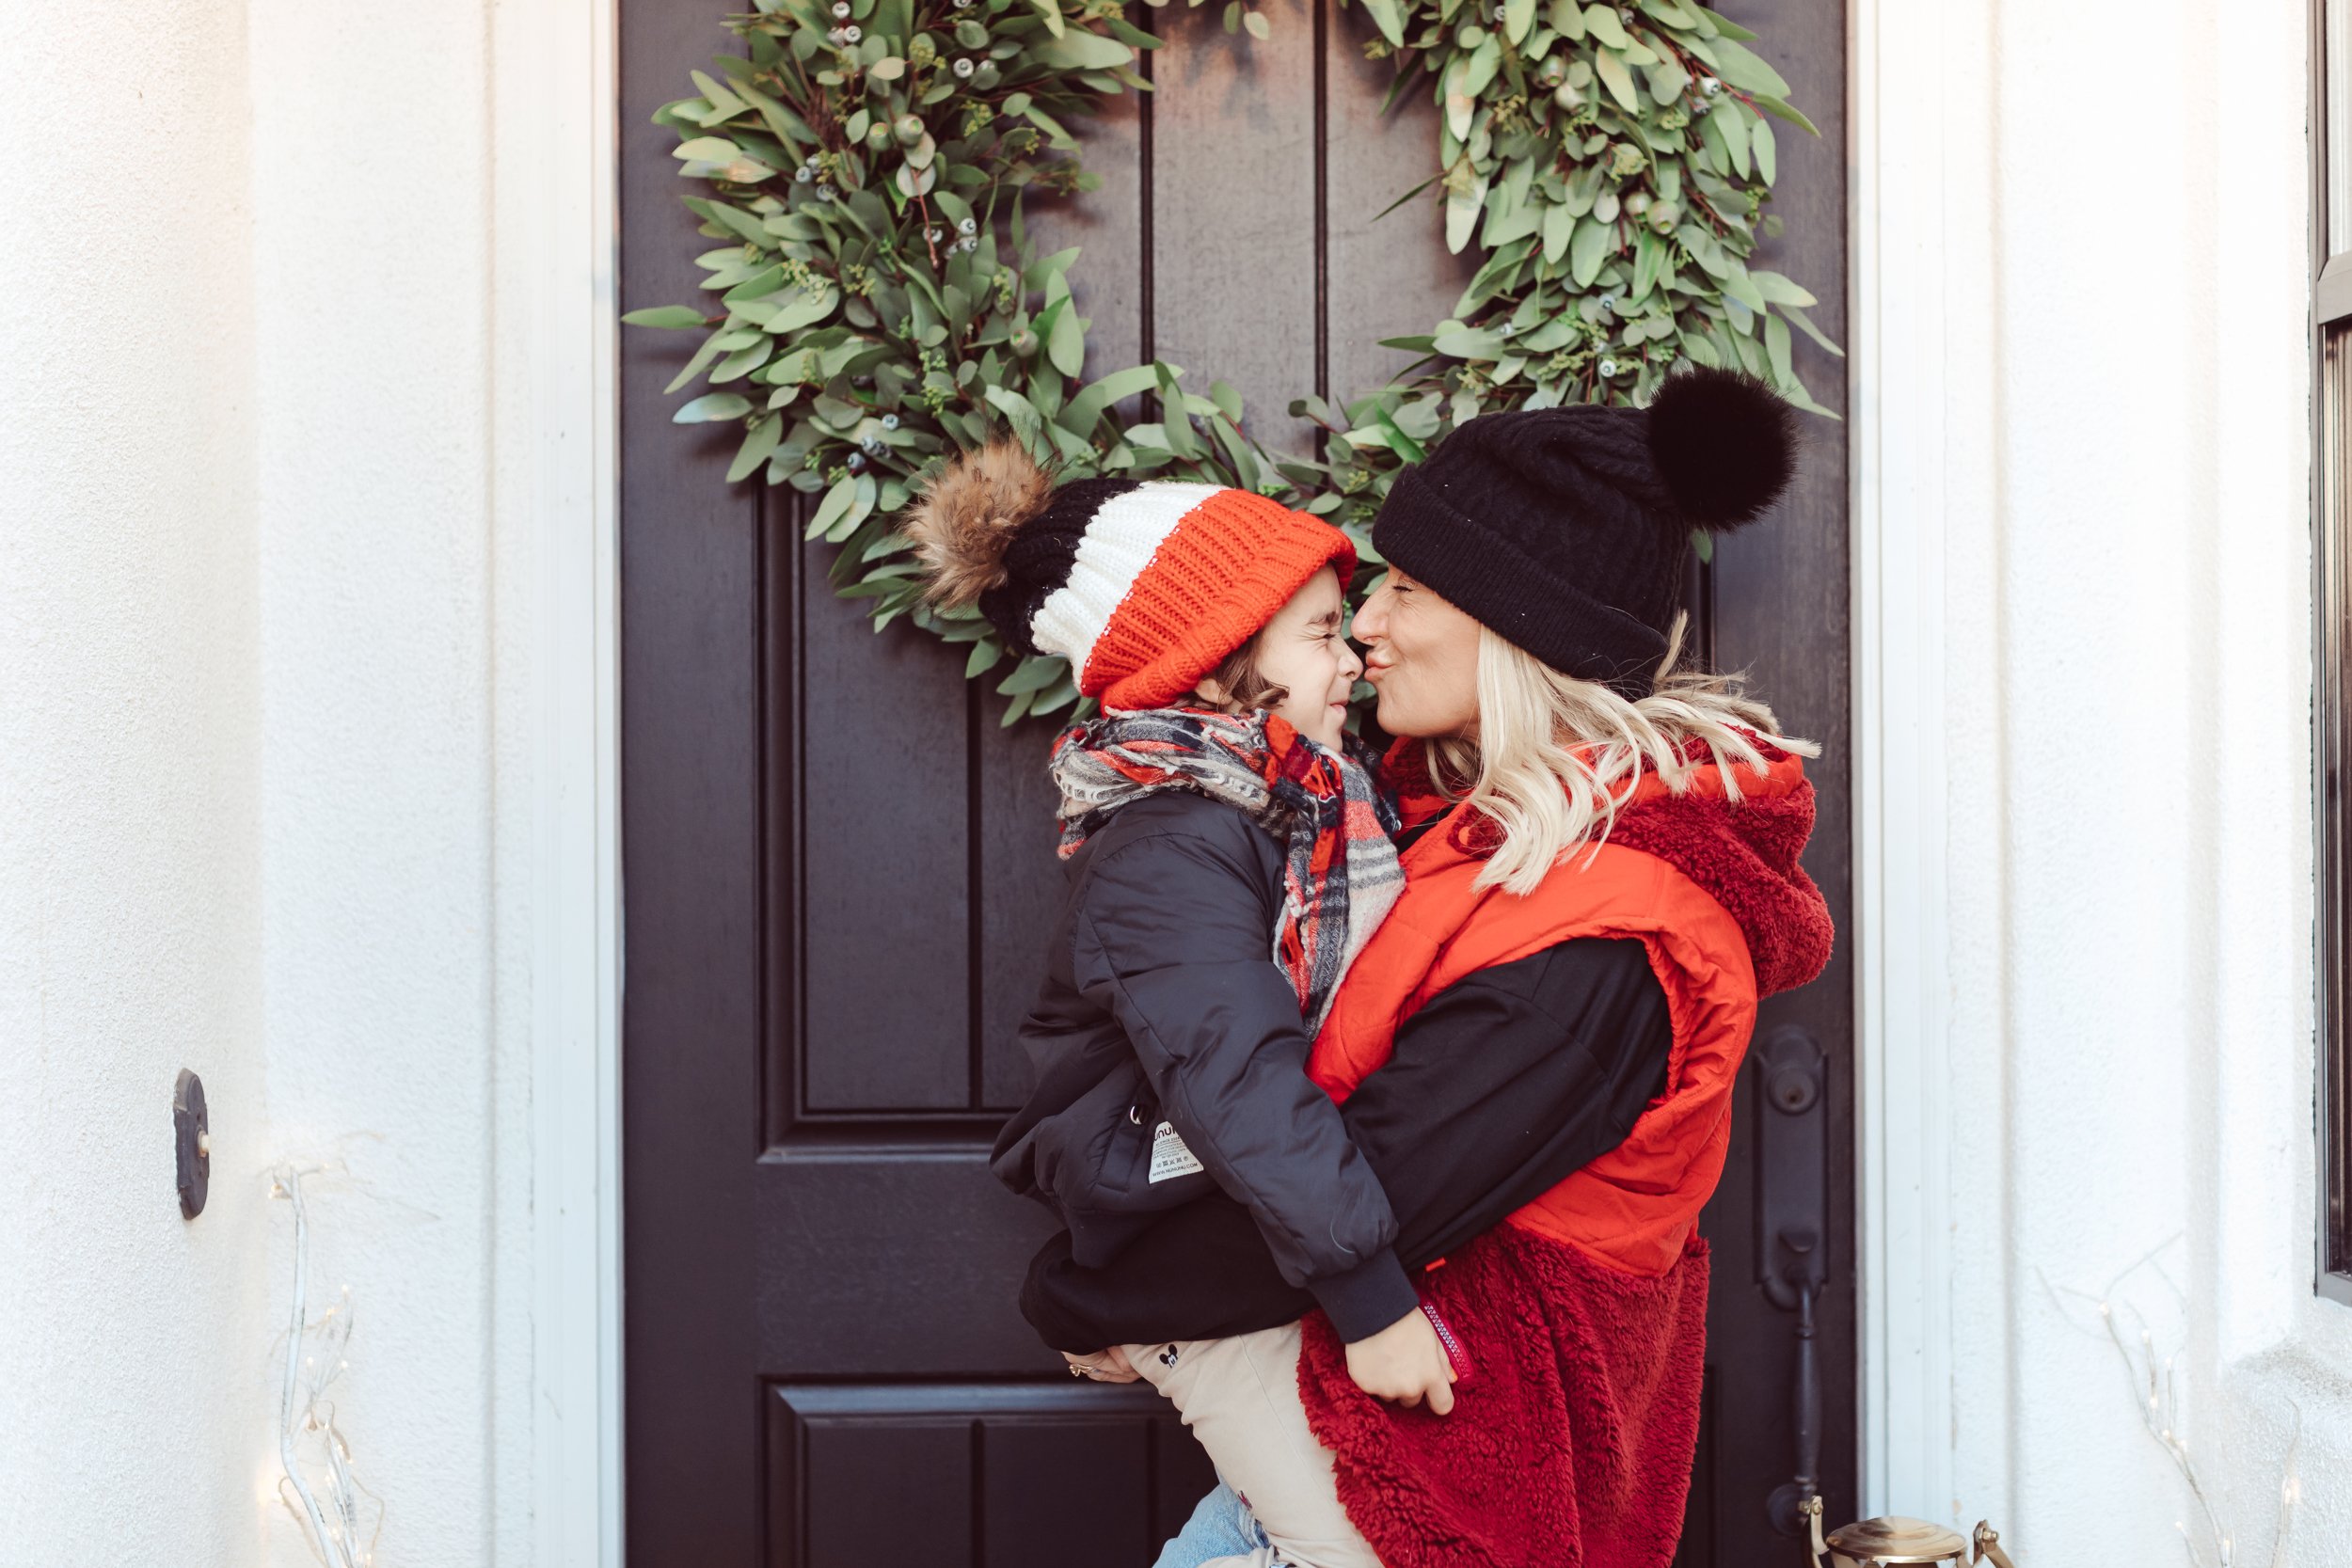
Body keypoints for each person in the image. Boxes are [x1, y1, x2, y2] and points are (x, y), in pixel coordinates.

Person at [1022, 366, 1838, 1568]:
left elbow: (1389, 1189)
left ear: (1513, 626)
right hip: (1363, 1452)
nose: (1366, 624)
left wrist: (1082, 1296)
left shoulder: (1610, 940)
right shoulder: (1458, 840)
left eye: (1405, 587)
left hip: (1451, 1487)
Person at [906, 445, 1462, 1568]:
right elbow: (1234, 1073)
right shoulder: (1173, 843)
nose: (1353, 646)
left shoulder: (1302, 805)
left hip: (1255, 1233)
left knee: (1273, 1519)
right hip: (1191, 1256)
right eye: (1316, 631)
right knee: (1358, 1552)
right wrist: (1370, 1297)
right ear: (1216, 670)